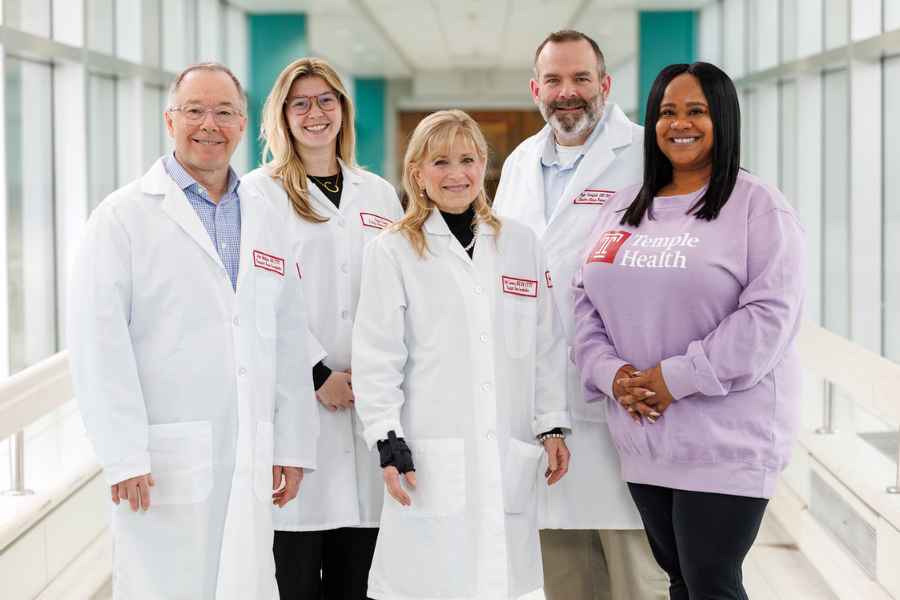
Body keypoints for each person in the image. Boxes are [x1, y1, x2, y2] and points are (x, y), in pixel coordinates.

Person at [67, 62, 319, 600]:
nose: (210, 124)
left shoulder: (264, 216)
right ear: (170, 120)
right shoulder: (122, 218)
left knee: (245, 581)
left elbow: (288, 336)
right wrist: (123, 455)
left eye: (225, 112)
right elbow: (98, 347)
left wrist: (294, 442)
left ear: (243, 124)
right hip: (163, 462)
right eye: (194, 110)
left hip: (249, 452)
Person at [571, 62, 806, 600]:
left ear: (723, 119)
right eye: (667, 112)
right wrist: (612, 375)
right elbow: (584, 298)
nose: (680, 123)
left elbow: (768, 317)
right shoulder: (622, 207)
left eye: (696, 111)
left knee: (710, 582)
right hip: (644, 436)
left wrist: (673, 378)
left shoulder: (758, 206)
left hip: (726, 439)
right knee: (679, 580)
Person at [352, 109, 572, 600]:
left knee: (502, 582)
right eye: (441, 162)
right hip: (430, 454)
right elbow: (376, 357)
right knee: (431, 583)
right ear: (417, 174)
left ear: (484, 166)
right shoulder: (392, 250)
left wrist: (552, 424)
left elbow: (546, 343)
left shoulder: (520, 243)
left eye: (468, 159)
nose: (457, 173)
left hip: (507, 447)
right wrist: (387, 438)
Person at [492, 29, 668, 600]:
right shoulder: (519, 163)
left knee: (638, 576)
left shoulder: (647, 155)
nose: (567, 92)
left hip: (624, 399)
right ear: (535, 90)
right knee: (563, 579)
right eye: (554, 80)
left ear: (605, 84)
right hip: (540, 406)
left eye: (580, 78)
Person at [242, 57, 403, 599]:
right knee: (292, 576)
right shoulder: (257, 194)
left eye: (326, 100)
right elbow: (259, 300)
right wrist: (317, 376)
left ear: (343, 109)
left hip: (367, 402)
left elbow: (395, 291)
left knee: (360, 579)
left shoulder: (377, 193)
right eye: (300, 103)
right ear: (282, 115)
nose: (316, 112)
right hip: (297, 408)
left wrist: (372, 377)